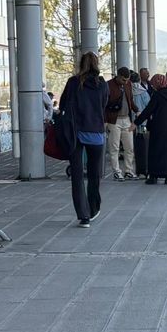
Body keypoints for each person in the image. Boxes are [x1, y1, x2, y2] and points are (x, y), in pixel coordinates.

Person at [60, 52, 109, 227]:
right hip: (96, 132)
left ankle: (83, 215)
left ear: (81, 64)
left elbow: (63, 104)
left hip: (75, 133)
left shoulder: (73, 82)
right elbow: (104, 105)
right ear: (97, 64)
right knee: (95, 174)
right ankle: (94, 208)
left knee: (77, 175)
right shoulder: (102, 84)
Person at [131, 74, 167, 184]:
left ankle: (154, 175)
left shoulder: (158, 95)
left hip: (159, 127)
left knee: (156, 151)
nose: (153, 86)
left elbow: (148, 110)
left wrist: (136, 123)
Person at [105, 67, 137, 181]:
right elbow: (104, 104)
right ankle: (117, 171)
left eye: (127, 80)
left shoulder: (128, 85)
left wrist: (137, 110)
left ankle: (128, 170)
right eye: (123, 80)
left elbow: (131, 100)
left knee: (129, 147)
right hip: (114, 120)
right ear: (117, 76)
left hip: (126, 119)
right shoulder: (108, 85)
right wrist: (105, 120)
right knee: (114, 147)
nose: (125, 82)